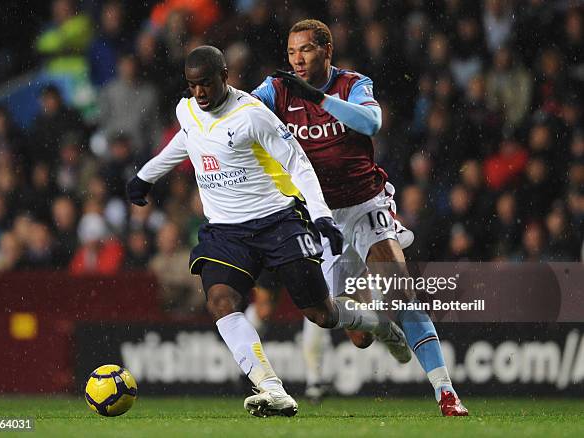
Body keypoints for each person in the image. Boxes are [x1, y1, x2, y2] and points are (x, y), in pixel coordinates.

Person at [126, 45, 408, 418]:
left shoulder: (253, 115)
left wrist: (321, 216)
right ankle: (271, 387)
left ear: (224, 76)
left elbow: (299, 163)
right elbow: (187, 138)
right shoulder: (188, 109)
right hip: (225, 231)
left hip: (277, 222)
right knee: (221, 301)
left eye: (206, 84)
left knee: (320, 314)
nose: (199, 93)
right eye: (192, 85)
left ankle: (380, 326)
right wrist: (146, 176)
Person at [251, 19, 467, 416]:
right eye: (292, 52)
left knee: (401, 292)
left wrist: (317, 98)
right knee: (358, 336)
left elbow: (371, 122)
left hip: (366, 204)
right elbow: (244, 113)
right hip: (322, 216)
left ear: (327, 51)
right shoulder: (277, 89)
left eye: (306, 50)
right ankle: (386, 330)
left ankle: (446, 393)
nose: (297, 60)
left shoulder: (353, 84)